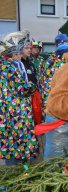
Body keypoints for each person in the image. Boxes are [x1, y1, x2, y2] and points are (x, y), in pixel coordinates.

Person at [0, 31, 39, 165]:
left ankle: (18, 177)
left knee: (16, 147)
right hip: (14, 114)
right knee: (15, 147)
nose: (29, 50)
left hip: (13, 113)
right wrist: (33, 86)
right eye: (26, 48)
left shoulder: (7, 65)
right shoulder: (9, 67)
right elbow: (21, 89)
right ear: (15, 51)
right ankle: (14, 181)